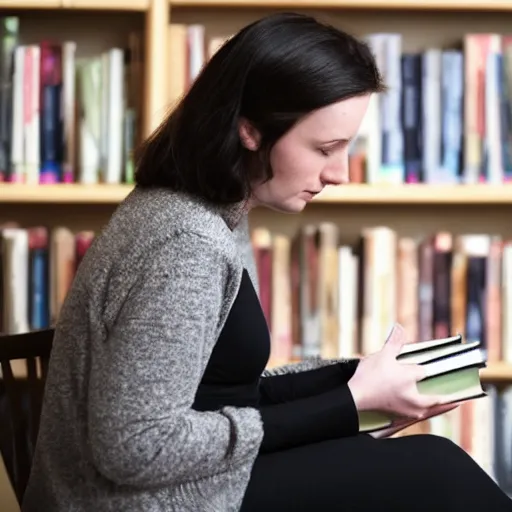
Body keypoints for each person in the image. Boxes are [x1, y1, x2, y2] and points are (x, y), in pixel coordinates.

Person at [22, 12, 511, 512]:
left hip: (185, 487)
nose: (340, 173)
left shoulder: (211, 215)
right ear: (250, 131)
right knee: (436, 471)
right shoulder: (181, 244)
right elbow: (135, 448)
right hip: (138, 502)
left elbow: (222, 393)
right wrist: (347, 405)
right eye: (325, 148)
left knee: (420, 463)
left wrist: (355, 384)